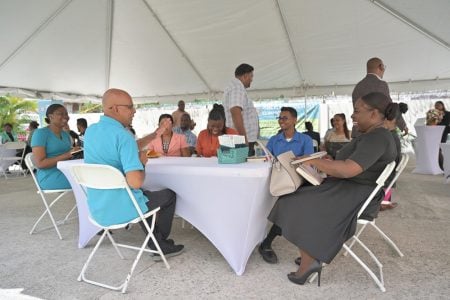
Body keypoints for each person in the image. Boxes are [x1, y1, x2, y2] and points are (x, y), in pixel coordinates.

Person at [261, 92, 397, 286]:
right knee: (297, 197)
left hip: (355, 194)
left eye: (357, 111)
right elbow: (351, 164)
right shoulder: (375, 135)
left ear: (374, 113)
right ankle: (312, 252)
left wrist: (312, 160)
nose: (352, 116)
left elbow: (349, 169)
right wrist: (328, 162)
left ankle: (310, 261)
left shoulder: (378, 138)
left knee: (292, 202)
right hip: (353, 189)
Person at [84, 88, 184, 258]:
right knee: (167, 195)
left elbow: (126, 147)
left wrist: (156, 134)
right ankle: (160, 244)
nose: (134, 111)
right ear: (115, 109)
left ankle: (157, 241)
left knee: (143, 196)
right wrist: (141, 163)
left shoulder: (91, 131)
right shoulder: (123, 136)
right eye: (130, 107)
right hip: (123, 207)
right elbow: (136, 182)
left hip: (98, 208)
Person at [258, 107, 314, 264]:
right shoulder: (274, 140)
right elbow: (266, 161)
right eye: (280, 118)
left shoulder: (305, 140)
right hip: (280, 182)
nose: (281, 121)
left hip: (301, 182)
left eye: (285, 118)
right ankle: (306, 253)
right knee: (290, 209)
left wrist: (295, 161)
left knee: (290, 210)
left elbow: (309, 162)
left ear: (295, 120)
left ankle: (267, 244)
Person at [352, 57, 407, 136]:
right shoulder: (381, 84)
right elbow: (390, 108)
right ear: (381, 67)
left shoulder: (358, 86)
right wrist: (403, 125)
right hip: (375, 133)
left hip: (358, 132)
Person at [30, 104, 74, 190]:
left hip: (67, 171)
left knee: (92, 176)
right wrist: (66, 155)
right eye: (61, 114)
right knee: (89, 181)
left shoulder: (65, 134)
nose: (65, 117)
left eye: (66, 114)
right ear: (51, 116)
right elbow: (40, 164)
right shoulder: (40, 133)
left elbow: (69, 155)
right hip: (49, 176)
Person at [223, 63, 259, 156]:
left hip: (238, 139)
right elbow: (235, 112)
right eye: (251, 76)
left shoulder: (236, 87)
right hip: (239, 141)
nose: (252, 79)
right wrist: (243, 139)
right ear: (245, 76)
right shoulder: (237, 87)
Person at [380, 103, 402, 211]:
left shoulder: (389, 136)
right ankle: (385, 200)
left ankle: (383, 201)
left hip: (388, 169)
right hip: (391, 167)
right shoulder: (392, 134)